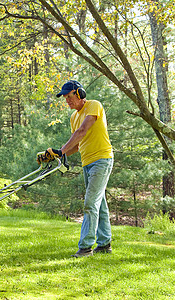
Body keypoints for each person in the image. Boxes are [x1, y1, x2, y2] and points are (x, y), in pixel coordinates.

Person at [43, 80, 114, 257]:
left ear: (79, 93)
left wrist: (62, 149)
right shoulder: (73, 117)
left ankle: (86, 247)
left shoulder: (93, 106)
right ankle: (104, 244)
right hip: (87, 163)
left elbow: (82, 131)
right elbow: (77, 144)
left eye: (69, 96)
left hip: (102, 160)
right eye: (65, 98)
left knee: (90, 203)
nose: (67, 101)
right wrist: (59, 154)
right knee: (100, 204)